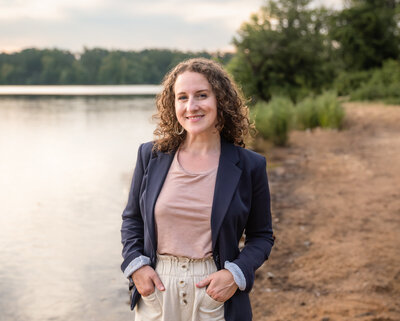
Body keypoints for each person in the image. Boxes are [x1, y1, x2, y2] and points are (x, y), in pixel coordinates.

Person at [120, 58, 274, 321]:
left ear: (220, 101)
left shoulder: (250, 165)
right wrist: (136, 266)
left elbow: (261, 236)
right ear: (173, 104)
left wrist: (235, 275)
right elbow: (132, 220)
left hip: (214, 291)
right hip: (157, 289)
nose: (191, 106)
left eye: (201, 95)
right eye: (182, 97)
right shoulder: (151, 155)